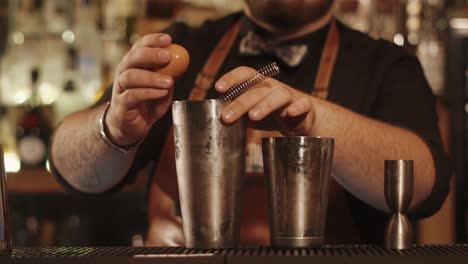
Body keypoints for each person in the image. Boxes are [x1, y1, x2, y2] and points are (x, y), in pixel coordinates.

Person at [51, 0, 450, 246]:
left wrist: (315, 117)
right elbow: (70, 169)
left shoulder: (385, 66)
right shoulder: (183, 45)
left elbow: (425, 186)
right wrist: (113, 128)